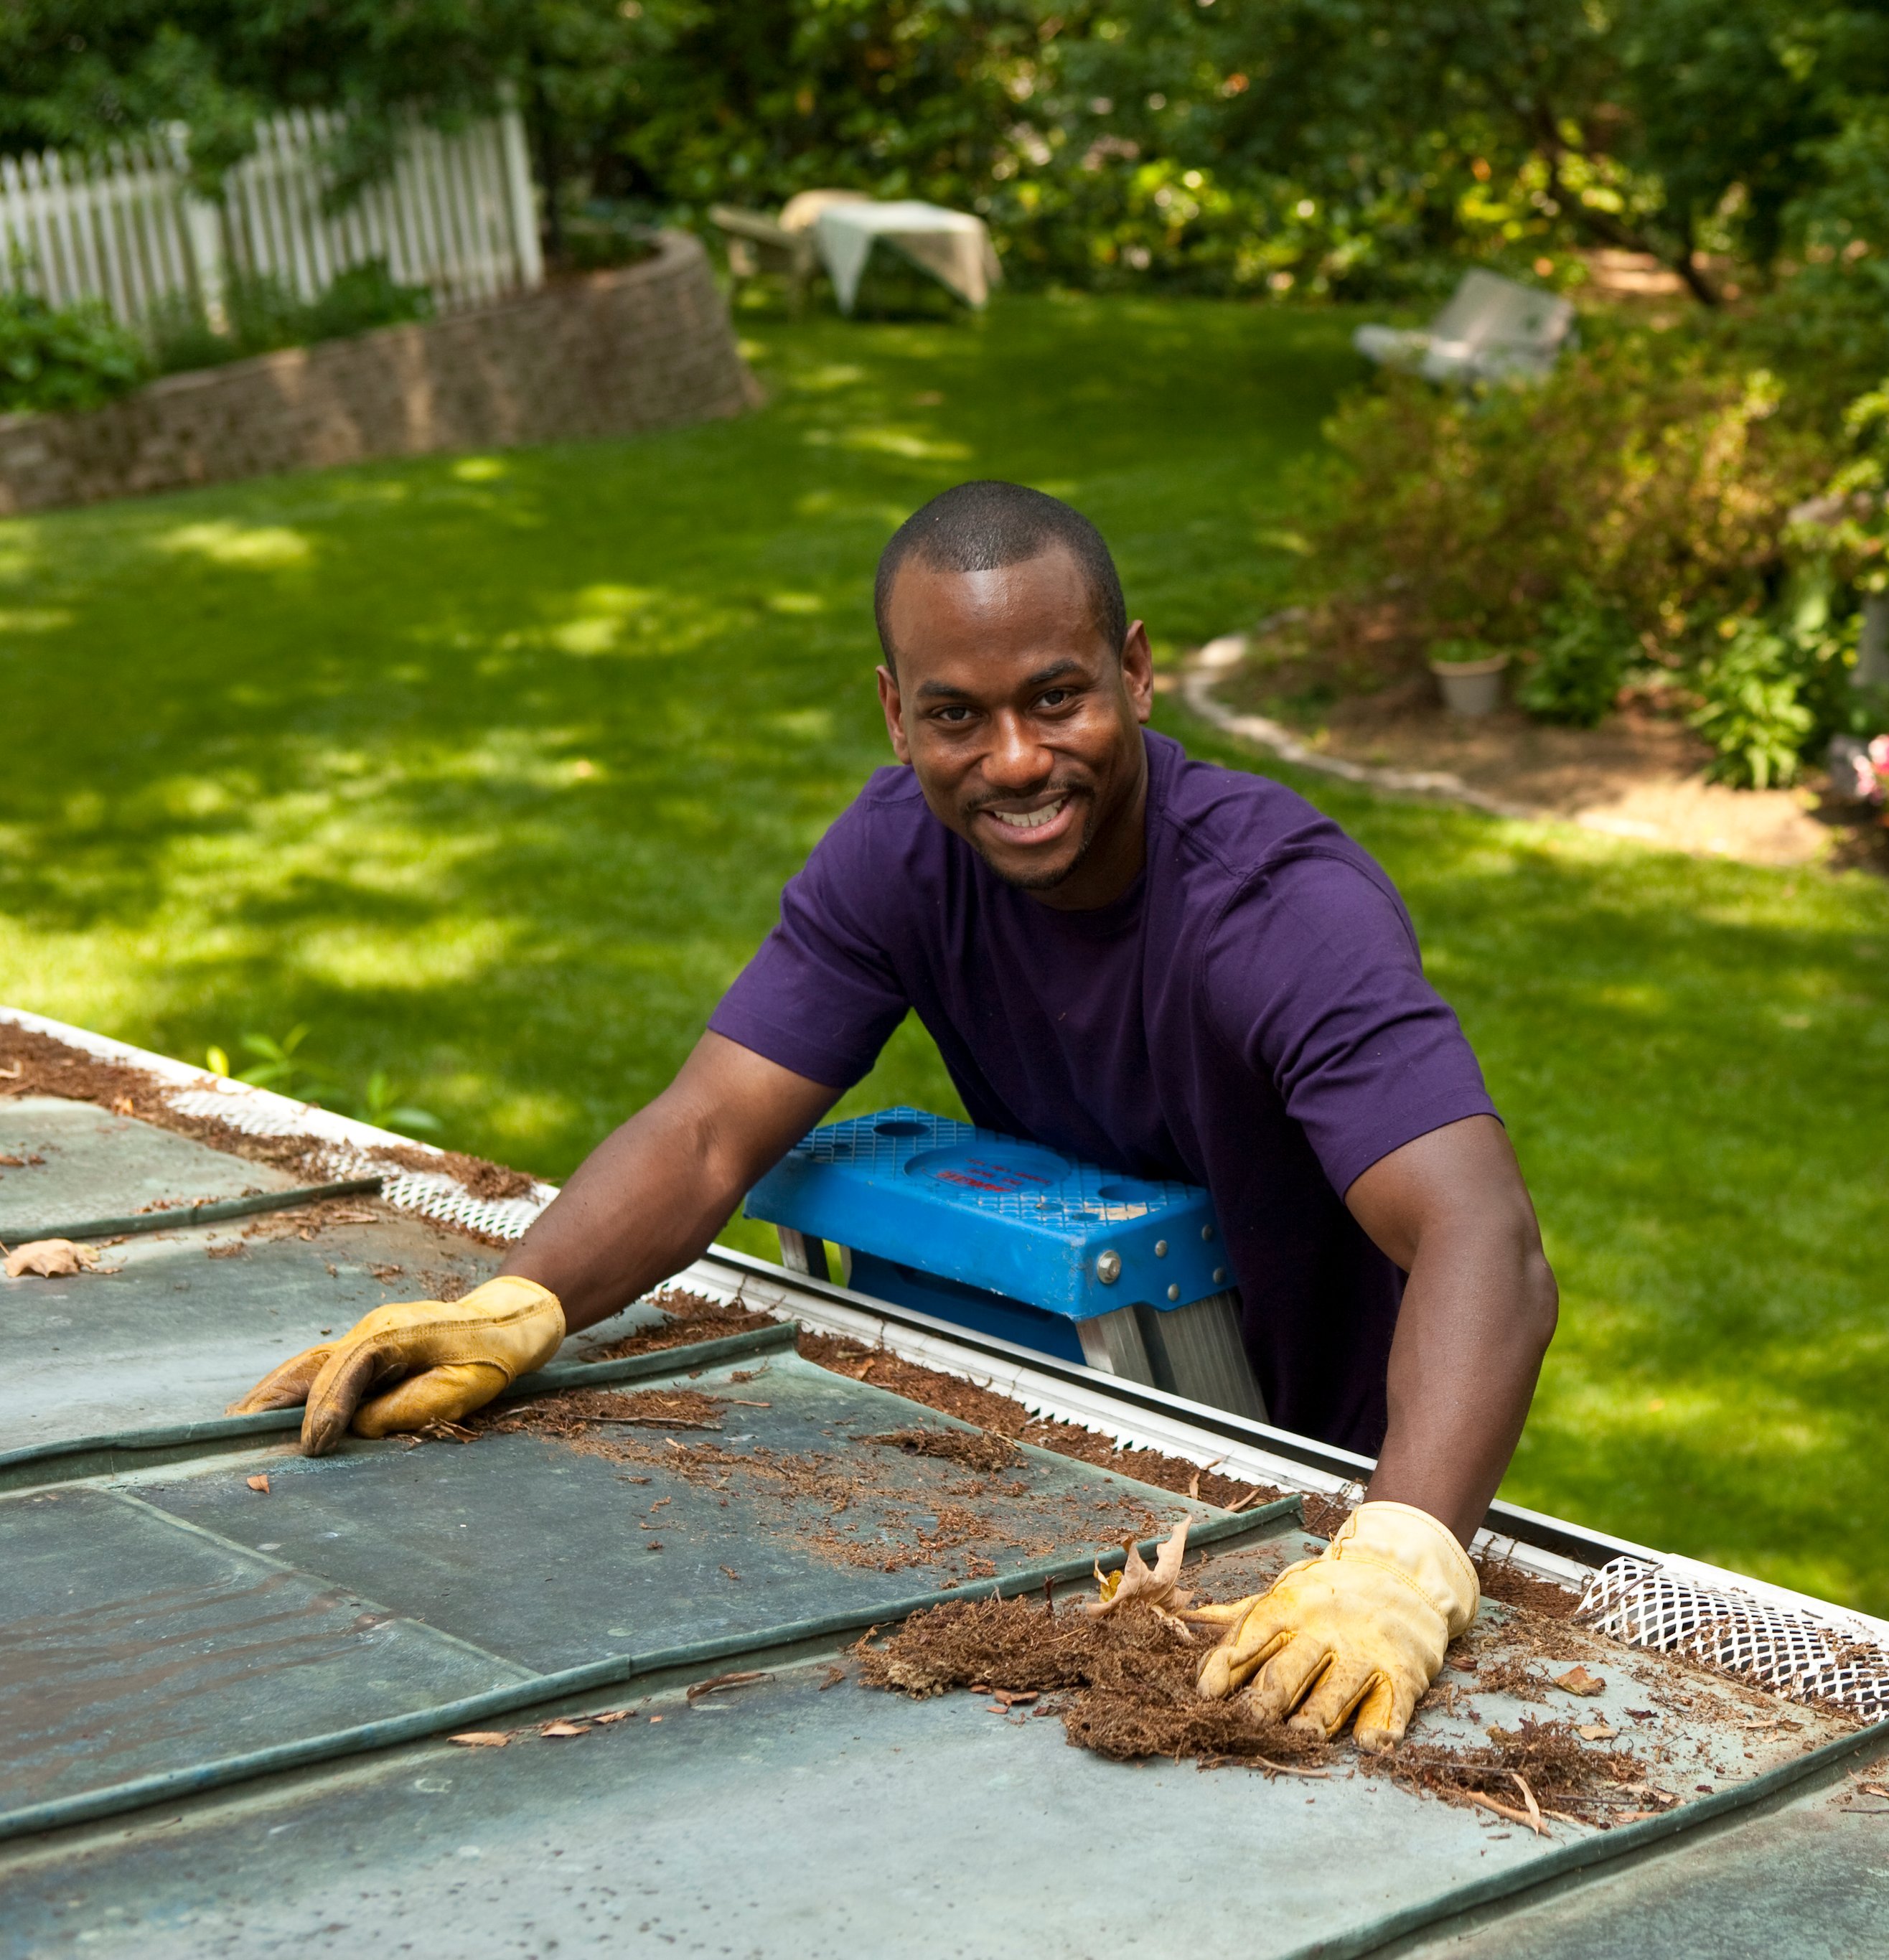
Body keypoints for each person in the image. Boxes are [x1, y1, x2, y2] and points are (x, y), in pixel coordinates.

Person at [231, 481, 1561, 1750]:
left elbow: (1482, 1242)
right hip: (1089, 1443)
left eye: (1058, 699)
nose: (1017, 760)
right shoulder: (901, 859)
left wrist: (1399, 1560)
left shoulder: (1281, 910)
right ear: (893, 714)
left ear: (1137, 674)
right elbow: (709, 1130)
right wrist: (514, 1308)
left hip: (1319, 1491)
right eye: (957, 717)